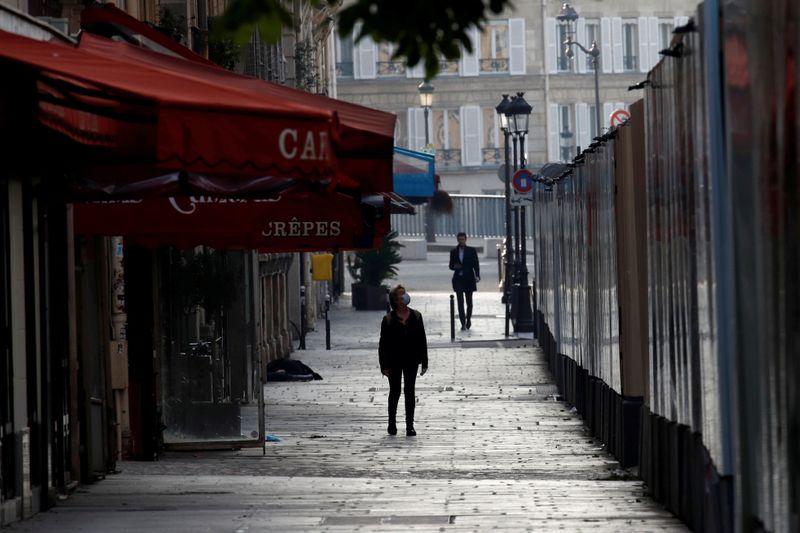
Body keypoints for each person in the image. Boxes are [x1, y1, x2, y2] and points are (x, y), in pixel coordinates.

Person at [379, 285, 428, 436]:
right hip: (394, 360)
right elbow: (383, 345)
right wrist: (384, 366)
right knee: (395, 391)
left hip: (411, 359)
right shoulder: (388, 320)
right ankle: (392, 424)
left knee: (409, 391)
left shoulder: (416, 316)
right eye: (401, 295)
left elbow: (422, 340)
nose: (405, 296)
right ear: (395, 300)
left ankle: (409, 425)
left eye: (405, 293)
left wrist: (424, 362)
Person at [449, 232, 480, 330]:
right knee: (460, 301)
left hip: (469, 278)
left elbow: (476, 264)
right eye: (459, 239)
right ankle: (463, 323)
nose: (461, 241)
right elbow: (450, 265)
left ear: (465, 239)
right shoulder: (453, 251)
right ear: (457, 240)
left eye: (462, 239)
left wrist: (477, 275)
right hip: (458, 278)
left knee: (469, 302)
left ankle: (468, 319)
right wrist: (455, 266)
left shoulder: (471, 250)